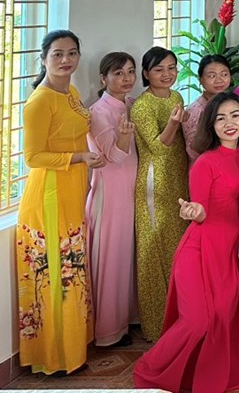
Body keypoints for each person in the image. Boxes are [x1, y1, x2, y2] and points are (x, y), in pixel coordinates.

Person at [133, 92, 239, 393]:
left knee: (225, 315)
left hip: (229, 250)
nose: (229, 123)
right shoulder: (205, 163)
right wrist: (193, 211)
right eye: (220, 118)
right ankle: (151, 368)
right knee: (197, 321)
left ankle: (209, 374)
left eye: (235, 115)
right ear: (210, 125)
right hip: (200, 248)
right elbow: (201, 211)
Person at [17, 30, 101, 375]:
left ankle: (72, 350)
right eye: (57, 54)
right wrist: (79, 157)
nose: (66, 60)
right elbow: (33, 157)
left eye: (72, 53)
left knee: (71, 271)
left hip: (72, 189)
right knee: (56, 274)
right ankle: (54, 358)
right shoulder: (40, 101)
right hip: (49, 195)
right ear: (43, 59)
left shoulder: (72, 93)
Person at [133, 45, 189, 342]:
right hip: (155, 182)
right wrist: (173, 123)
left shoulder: (176, 97)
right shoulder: (142, 106)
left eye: (171, 68)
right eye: (158, 69)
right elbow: (158, 147)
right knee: (155, 249)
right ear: (146, 73)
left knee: (178, 248)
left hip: (179, 176)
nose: (167, 74)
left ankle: (181, 318)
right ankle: (157, 326)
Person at [86, 51, 138, 348]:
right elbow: (112, 157)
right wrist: (123, 137)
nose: (126, 78)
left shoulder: (131, 103)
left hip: (131, 191)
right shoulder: (98, 112)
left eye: (130, 71)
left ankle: (127, 319)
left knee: (126, 257)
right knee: (110, 260)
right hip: (110, 194)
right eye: (118, 73)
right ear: (103, 78)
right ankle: (107, 331)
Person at [183, 55, 232, 164]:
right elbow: (193, 150)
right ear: (200, 79)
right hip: (204, 166)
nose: (219, 80)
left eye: (224, 74)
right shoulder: (196, 110)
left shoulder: (231, 103)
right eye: (212, 76)